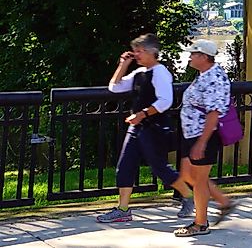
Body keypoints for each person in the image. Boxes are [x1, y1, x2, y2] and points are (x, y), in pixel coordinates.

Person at [96, 34, 193, 224]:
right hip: (137, 128)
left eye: (140, 51)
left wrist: (142, 114)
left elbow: (165, 101)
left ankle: (188, 195)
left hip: (153, 127)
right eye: (135, 51)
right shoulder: (139, 73)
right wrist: (123, 64)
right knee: (124, 166)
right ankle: (123, 209)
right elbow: (114, 88)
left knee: (159, 167)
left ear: (152, 52)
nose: (137, 55)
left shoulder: (160, 72)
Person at [174, 40, 236, 237]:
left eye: (193, 54)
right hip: (192, 133)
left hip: (203, 136)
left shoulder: (214, 78)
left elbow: (214, 113)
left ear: (204, 57)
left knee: (199, 180)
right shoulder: (204, 75)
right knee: (187, 175)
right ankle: (224, 202)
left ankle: (200, 224)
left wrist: (201, 143)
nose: (190, 57)